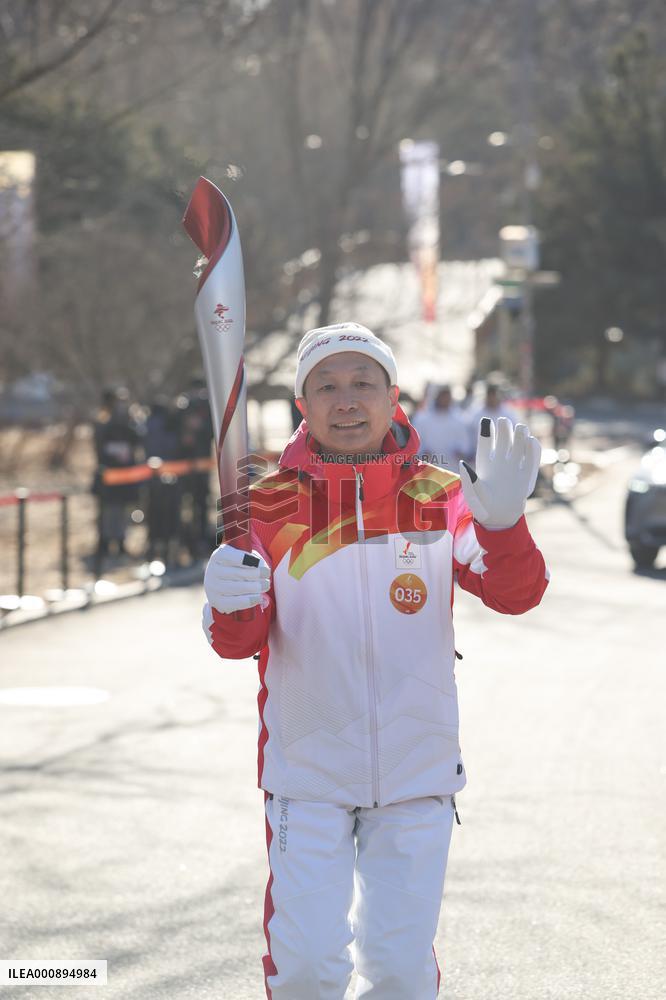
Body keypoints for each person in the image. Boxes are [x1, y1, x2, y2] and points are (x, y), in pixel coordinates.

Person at [202, 322, 548, 999]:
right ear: (304, 405)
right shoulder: (266, 507)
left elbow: (516, 596)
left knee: (397, 974)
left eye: (364, 383)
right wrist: (227, 600)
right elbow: (237, 641)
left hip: (417, 773)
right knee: (304, 970)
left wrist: (505, 526)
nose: (347, 399)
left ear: (395, 397)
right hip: (307, 773)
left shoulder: (444, 498)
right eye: (326, 386)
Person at [411, 383, 469, 468]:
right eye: (442, 396)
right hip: (428, 472)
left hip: (453, 471)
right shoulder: (421, 419)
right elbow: (414, 444)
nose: (445, 399)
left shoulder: (460, 419)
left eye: (447, 396)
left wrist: (460, 452)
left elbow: (465, 445)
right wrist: (423, 453)